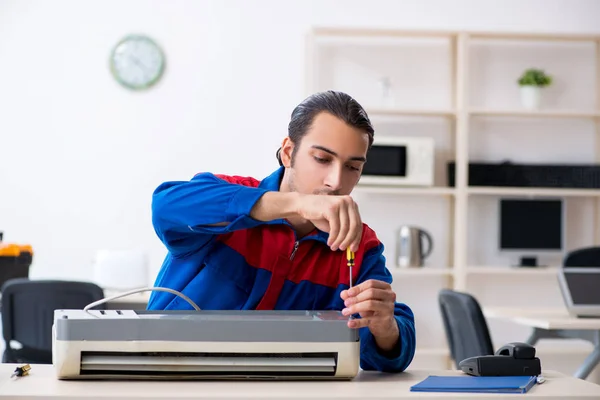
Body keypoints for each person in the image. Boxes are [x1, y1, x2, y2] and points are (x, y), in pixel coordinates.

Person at [148, 90, 416, 373]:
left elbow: (388, 355)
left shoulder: (360, 246)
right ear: (288, 152)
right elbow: (165, 205)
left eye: (352, 167)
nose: (336, 181)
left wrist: (386, 328)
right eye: (322, 159)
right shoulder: (227, 197)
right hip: (173, 378)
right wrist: (296, 204)